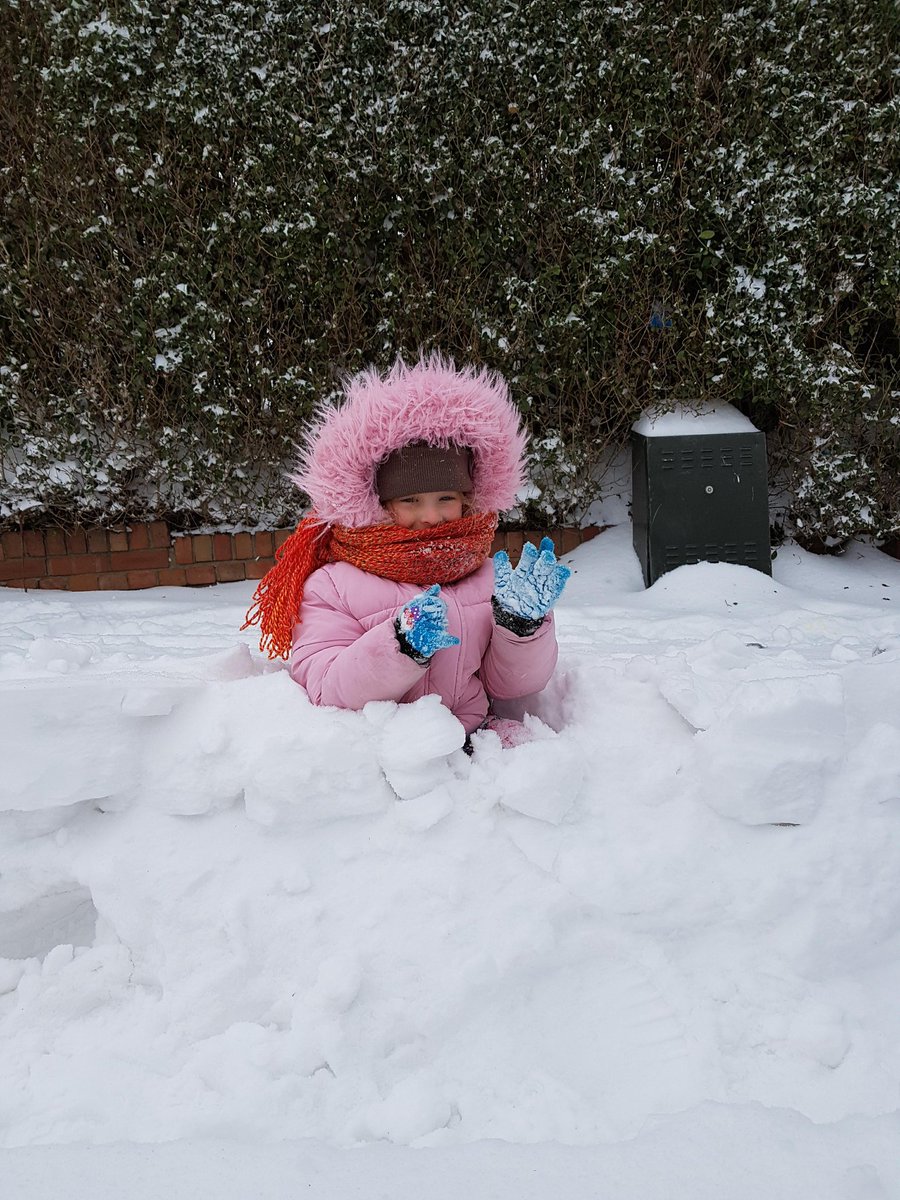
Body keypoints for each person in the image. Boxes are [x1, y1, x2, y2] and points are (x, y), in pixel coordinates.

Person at [242, 355, 570, 748]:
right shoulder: (334, 586)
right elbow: (326, 687)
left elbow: (510, 686)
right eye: (410, 500)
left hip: (471, 739)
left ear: (467, 500)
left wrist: (520, 629)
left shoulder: (484, 578)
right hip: (378, 752)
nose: (430, 516)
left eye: (445, 498)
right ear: (380, 504)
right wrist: (399, 646)